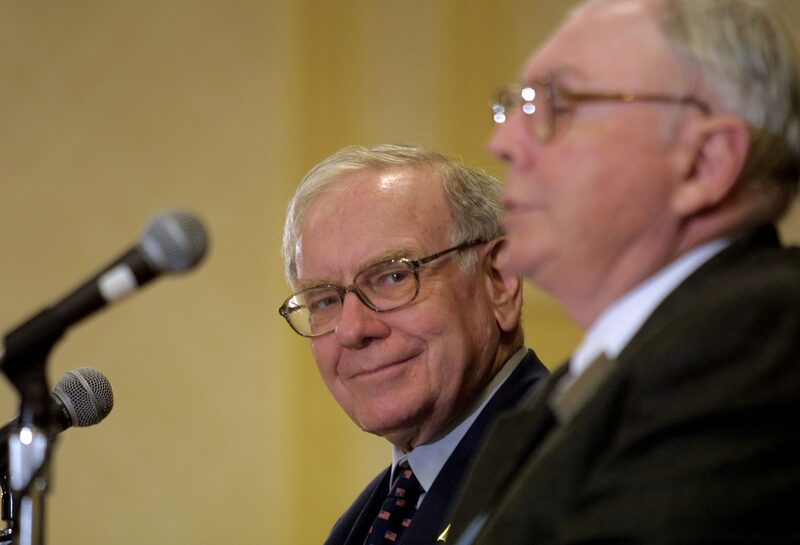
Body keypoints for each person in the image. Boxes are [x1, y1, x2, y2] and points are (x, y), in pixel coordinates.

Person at [446, 0, 800, 543]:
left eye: (558, 104)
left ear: (706, 161)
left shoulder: (755, 339)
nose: (503, 142)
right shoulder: (597, 374)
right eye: (516, 104)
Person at [278, 144, 548, 545]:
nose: (352, 330)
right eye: (325, 300)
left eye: (393, 277)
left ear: (500, 281)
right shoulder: (357, 528)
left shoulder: (570, 473)